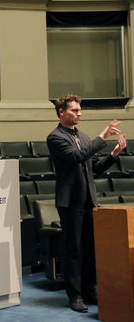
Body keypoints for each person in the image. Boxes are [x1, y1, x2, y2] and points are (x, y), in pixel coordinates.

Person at [47, 94, 126, 314]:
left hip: (89, 199)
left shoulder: (83, 135)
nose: (79, 113)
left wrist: (113, 154)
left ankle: (90, 289)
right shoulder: (55, 137)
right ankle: (75, 295)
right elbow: (76, 158)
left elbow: (95, 167)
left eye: (80, 110)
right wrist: (102, 136)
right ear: (61, 112)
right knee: (74, 250)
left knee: (91, 248)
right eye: (74, 110)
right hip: (70, 201)